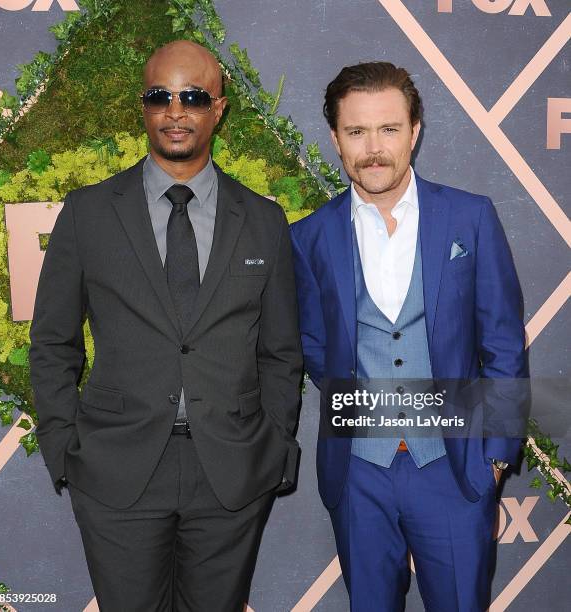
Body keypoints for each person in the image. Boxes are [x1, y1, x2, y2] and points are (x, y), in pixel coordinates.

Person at [29, 40, 302, 612]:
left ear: (219, 108)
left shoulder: (264, 221)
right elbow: (53, 342)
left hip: (230, 472)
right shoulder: (87, 213)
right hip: (115, 471)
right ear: (144, 106)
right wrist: (63, 447)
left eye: (194, 96)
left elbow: (281, 352)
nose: (176, 111)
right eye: (161, 96)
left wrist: (272, 446)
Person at [290, 62, 528, 611]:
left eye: (389, 129)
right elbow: (316, 347)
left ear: (414, 132)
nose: (374, 148)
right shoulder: (308, 238)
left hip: (453, 468)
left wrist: (493, 456)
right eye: (356, 132)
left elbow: (503, 345)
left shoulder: (470, 218)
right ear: (336, 138)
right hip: (359, 473)